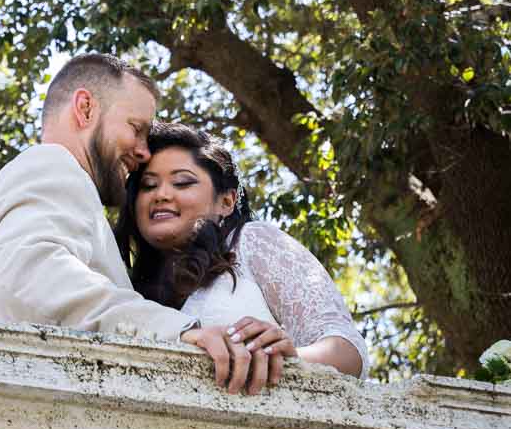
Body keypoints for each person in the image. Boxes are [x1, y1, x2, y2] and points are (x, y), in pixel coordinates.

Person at [0, 53, 262, 394]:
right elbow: (35, 277)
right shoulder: (51, 164)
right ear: (85, 108)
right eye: (137, 129)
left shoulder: (44, 194)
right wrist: (179, 331)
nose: (144, 152)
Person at [114, 122, 369, 381]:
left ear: (226, 202)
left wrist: (290, 360)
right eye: (148, 185)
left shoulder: (252, 241)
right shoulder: (123, 288)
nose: (162, 194)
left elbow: (349, 351)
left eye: (182, 182)